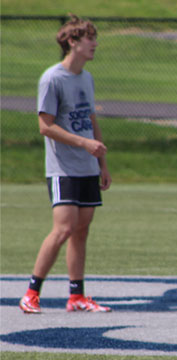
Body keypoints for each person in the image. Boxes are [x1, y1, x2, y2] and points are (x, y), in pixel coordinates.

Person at [19, 14, 112, 314]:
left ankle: (76, 296)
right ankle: (31, 293)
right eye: (90, 39)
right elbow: (45, 126)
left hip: (87, 167)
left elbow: (91, 121)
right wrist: (84, 144)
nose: (95, 44)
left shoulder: (86, 77)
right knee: (63, 229)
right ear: (73, 42)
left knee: (81, 230)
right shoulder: (52, 78)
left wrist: (102, 164)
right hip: (63, 168)